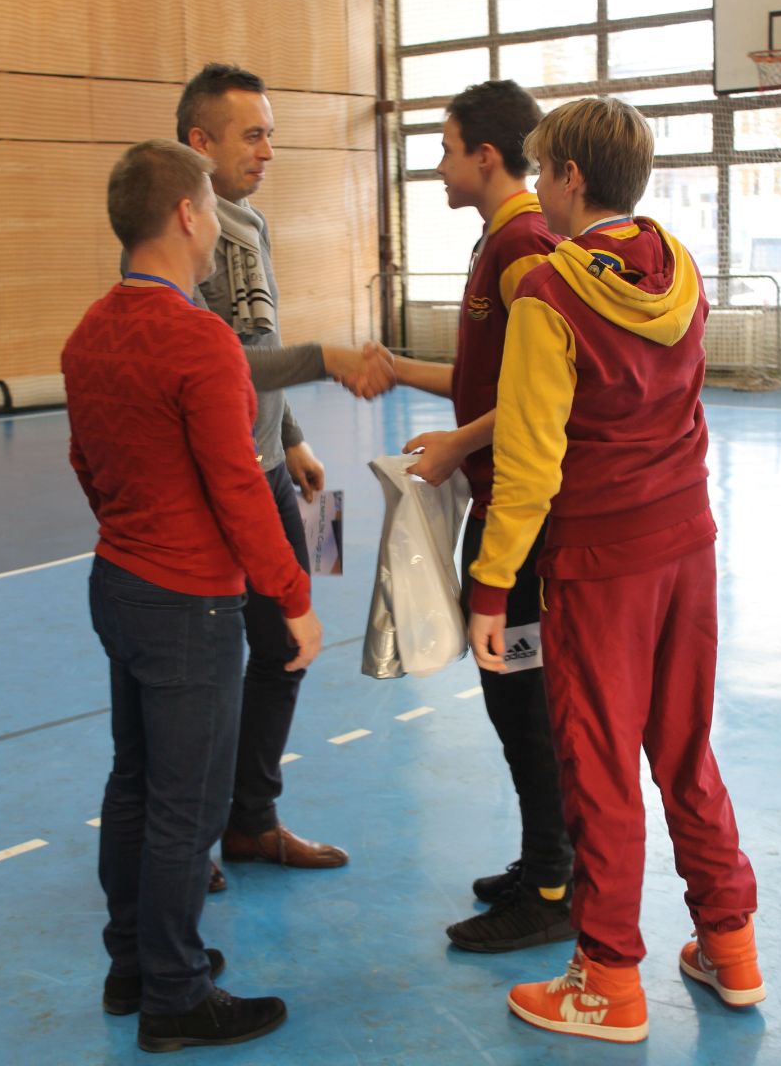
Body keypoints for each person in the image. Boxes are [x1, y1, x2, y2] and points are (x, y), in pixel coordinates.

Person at [467, 97, 764, 1043]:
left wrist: (490, 584)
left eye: (542, 168)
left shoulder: (548, 294)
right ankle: (731, 943)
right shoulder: (679, 267)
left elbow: (529, 462)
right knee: (685, 748)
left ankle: (606, 981)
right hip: (688, 544)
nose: (536, 184)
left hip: (600, 562)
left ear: (570, 178)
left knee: (597, 764)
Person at [62, 140, 323, 1051]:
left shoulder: (89, 332)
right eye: (211, 208)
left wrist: (134, 530)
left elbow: (87, 464)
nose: (217, 226)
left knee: (135, 782)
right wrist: (292, 596)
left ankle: (133, 964)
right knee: (189, 805)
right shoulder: (200, 339)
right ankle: (175, 995)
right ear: (184, 214)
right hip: (187, 603)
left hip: (119, 584)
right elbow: (239, 486)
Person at [174, 63, 394, 889]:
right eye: (253, 135)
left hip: (269, 469)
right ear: (200, 142)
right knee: (203, 668)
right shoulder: (186, 235)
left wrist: (292, 435)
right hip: (215, 485)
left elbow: (257, 345)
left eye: (270, 133)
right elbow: (221, 363)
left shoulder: (252, 221)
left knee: (285, 648)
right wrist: (327, 360)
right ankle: (184, 840)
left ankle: (251, 821)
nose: (268, 150)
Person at [382, 80, 574, 952]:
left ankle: (553, 885)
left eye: (447, 148)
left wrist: (460, 442)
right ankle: (545, 860)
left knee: (521, 697)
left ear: (486, 157)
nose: (439, 165)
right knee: (509, 696)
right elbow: (486, 381)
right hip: (497, 509)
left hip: (521, 525)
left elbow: (545, 385)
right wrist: (397, 370)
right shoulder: (497, 241)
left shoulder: (526, 247)